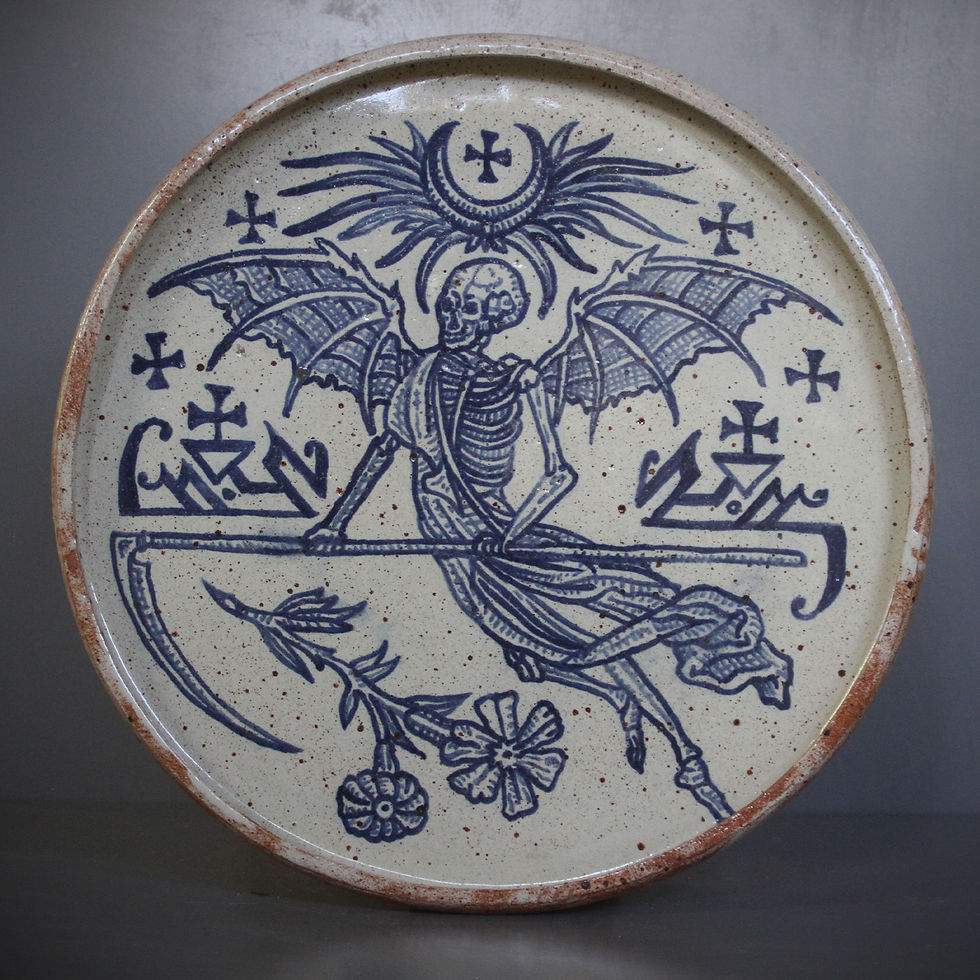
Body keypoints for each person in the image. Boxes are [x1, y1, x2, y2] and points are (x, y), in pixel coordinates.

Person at [305, 257, 791, 818]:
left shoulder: (519, 379)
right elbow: (384, 449)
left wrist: (510, 535)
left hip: (495, 533)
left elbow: (559, 475)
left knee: (583, 628)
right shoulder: (417, 375)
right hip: (446, 533)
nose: (453, 318)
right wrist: (335, 523)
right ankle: (629, 702)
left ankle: (689, 741)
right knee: (533, 647)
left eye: (470, 309)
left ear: (495, 320)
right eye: (448, 304)